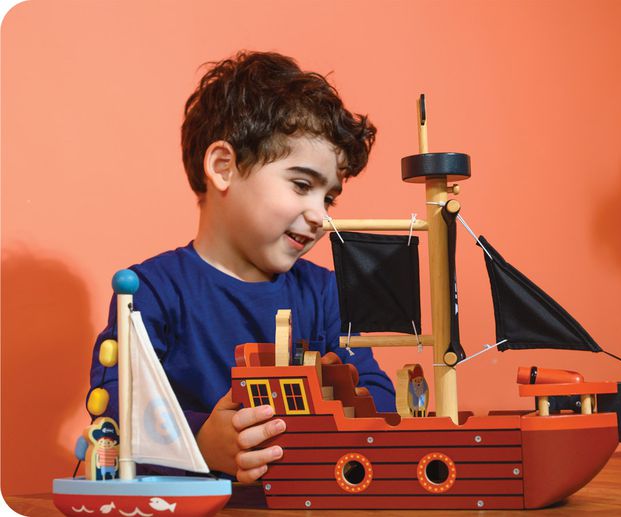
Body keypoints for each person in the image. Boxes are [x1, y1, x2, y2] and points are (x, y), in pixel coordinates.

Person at [88, 50, 396, 483]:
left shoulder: (328, 294)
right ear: (223, 168)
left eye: (329, 198)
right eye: (302, 185)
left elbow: (379, 398)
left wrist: (333, 401)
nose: (321, 216)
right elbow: (118, 407)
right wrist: (199, 444)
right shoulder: (149, 290)